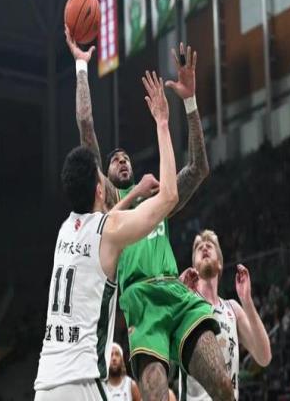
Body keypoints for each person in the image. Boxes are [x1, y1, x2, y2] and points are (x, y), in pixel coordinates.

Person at [65, 29, 234, 401]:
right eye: (115, 159)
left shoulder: (156, 199)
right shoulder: (109, 203)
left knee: (224, 387)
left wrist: (190, 103)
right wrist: (81, 67)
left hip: (175, 290)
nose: (122, 160)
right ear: (103, 177)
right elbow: (86, 126)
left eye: (126, 157)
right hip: (140, 301)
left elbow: (199, 167)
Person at [33, 70, 179, 400]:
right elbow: (169, 196)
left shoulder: (64, 231)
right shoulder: (108, 231)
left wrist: (80, 65)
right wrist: (162, 123)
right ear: (101, 190)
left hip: (45, 384)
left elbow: (108, 218)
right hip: (82, 382)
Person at [178, 230, 272, 400]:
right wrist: (179, 294)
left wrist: (247, 300)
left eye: (210, 245)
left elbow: (264, 357)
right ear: (194, 267)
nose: (204, 247)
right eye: (199, 247)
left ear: (220, 264)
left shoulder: (233, 309)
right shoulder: (187, 303)